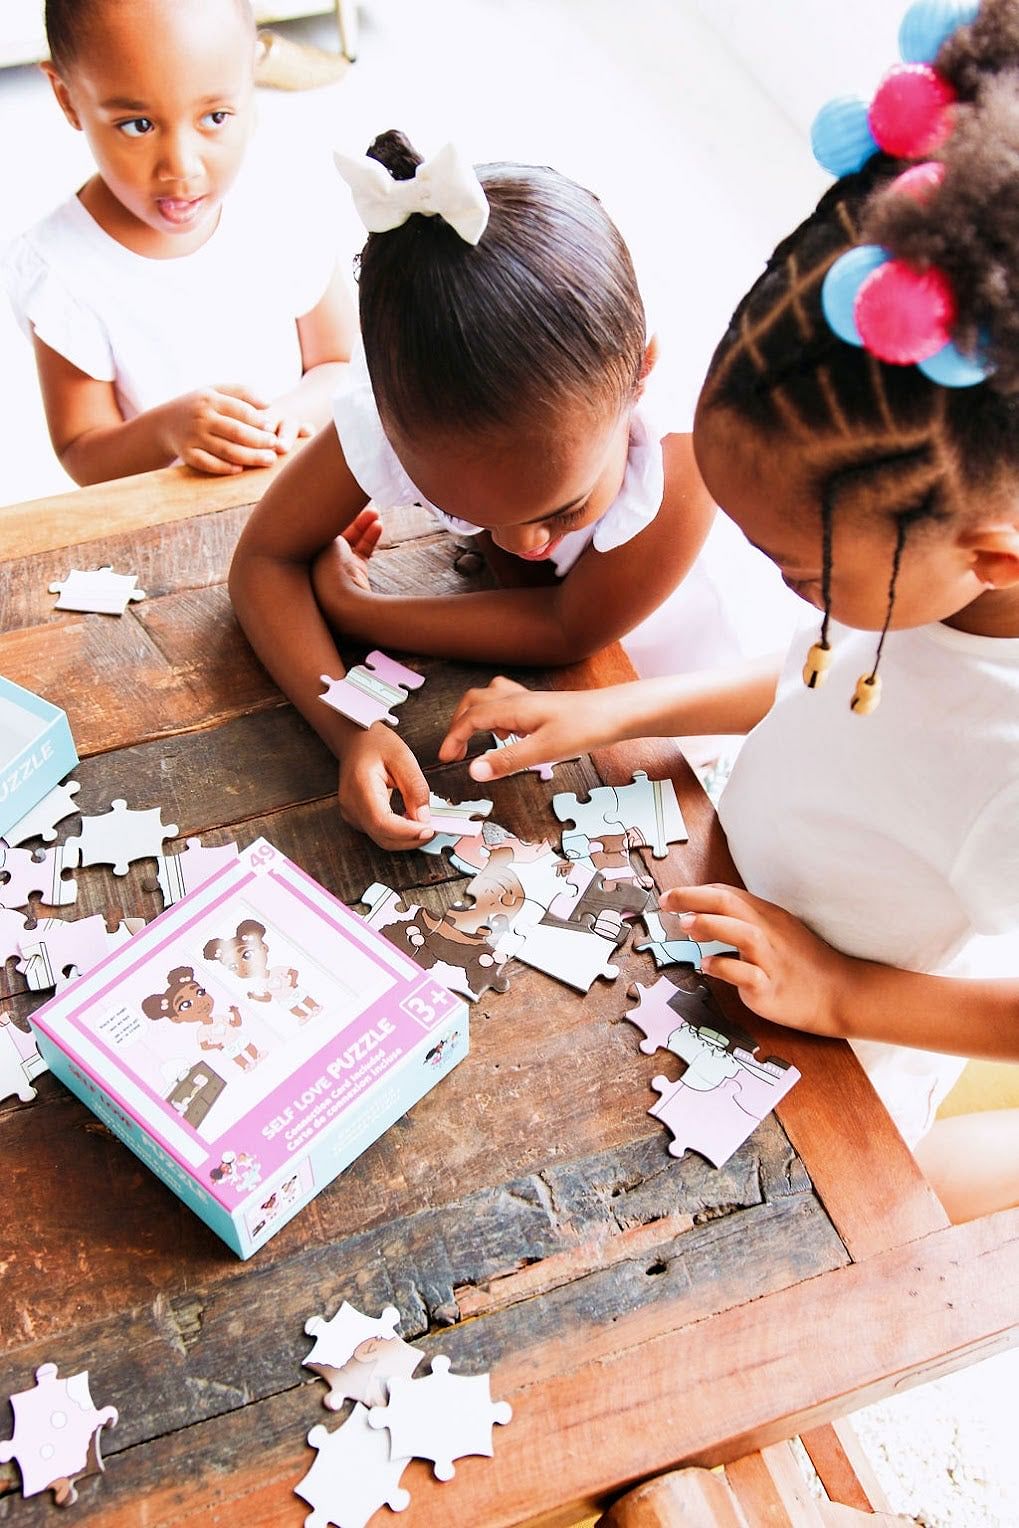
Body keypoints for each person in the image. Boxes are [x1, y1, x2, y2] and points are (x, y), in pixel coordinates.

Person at [438, 0, 1019, 1221]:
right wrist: (609, 709)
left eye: (800, 568)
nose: (776, 586)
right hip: (733, 921)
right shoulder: (927, 576)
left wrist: (843, 991)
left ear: (989, 557)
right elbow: (824, 678)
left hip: (839, 1053)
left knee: (890, 1220)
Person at [230, 129, 790, 850]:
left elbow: (568, 629)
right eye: (465, 512)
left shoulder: (689, 442)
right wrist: (351, 731)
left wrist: (353, 607)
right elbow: (262, 560)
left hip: (680, 712)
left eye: (561, 510)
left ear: (639, 373)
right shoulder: (406, 408)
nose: (520, 543)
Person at [1, 0, 356, 484]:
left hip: (300, 483)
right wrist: (166, 433)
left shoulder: (280, 204)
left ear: (249, 74)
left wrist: (286, 417)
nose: (182, 167)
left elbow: (340, 363)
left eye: (215, 117)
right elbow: (82, 452)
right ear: (67, 98)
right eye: (138, 125)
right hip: (171, 522)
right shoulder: (60, 268)